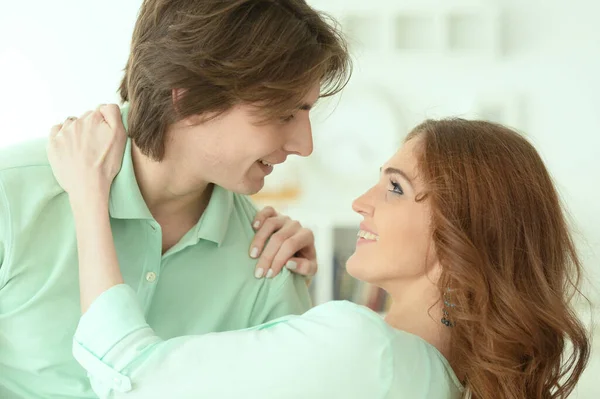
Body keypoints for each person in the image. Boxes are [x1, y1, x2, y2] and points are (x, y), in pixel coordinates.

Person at [48, 111, 591, 399]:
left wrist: (88, 194)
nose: (362, 202)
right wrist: (299, 307)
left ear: (460, 232)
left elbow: (131, 377)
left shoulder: (364, 349)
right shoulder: (442, 379)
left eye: (395, 188)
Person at [0, 0, 350, 397]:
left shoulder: (268, 263)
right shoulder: (11, 197)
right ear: (188, 98)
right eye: (284, 114)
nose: (304, 145)